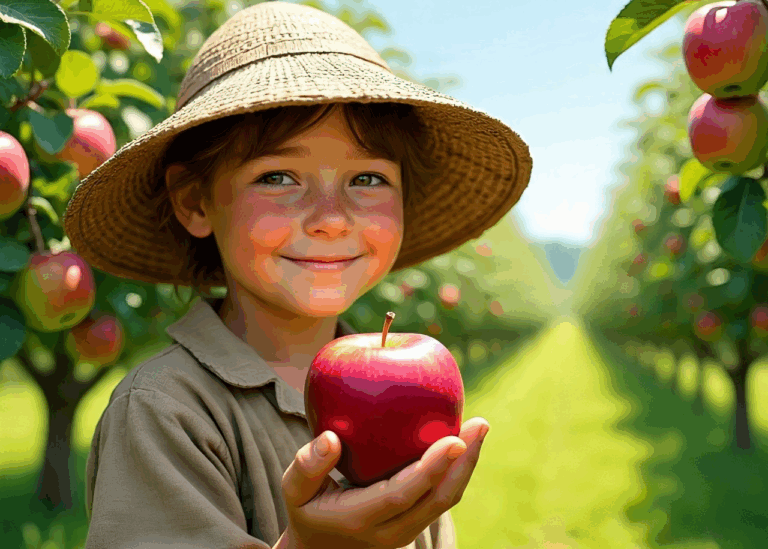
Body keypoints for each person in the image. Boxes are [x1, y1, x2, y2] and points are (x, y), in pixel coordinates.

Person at [63, 2, 533, 548]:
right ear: (194, 202)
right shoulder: (165, 413)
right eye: (279, 176)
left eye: (369, 178)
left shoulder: (409, 391)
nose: (332, 219)